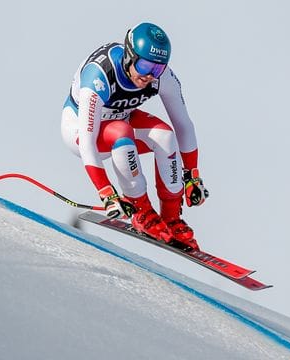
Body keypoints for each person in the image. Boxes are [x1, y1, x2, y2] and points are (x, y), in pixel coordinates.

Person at [61, 22, 208, 249]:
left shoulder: (162, 76)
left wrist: (192, 176)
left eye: (157, 69)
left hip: (122, 118)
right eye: (145, 65)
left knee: (166, 136)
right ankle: (141, 211)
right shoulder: (99, 75)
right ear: (130, 56)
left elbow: (184, 126)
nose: (150, 75)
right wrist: (107, 193)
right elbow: (88, 142)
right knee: (121, 131)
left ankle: (171, 219)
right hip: (80, 131)